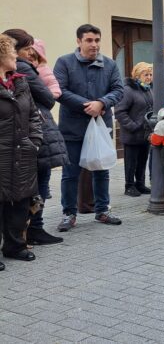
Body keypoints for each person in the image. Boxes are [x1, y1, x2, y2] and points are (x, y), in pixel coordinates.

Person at [54, 24, 124, 231]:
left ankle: (102, 210)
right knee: (70, 173)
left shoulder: (110, 65)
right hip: (72, 128)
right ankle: (69, 213)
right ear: (79, 41)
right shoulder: (64, 62)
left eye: (97, 40)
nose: (94, 45)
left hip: (101, 127)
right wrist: (89, 105)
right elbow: (60, 91)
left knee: (101, 170)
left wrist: (102, 103)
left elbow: (119, 90)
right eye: (89, 40)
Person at [5, 30, 68, 246]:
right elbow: (48, 98)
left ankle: (28, 230)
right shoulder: (23, 68)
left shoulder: (18, 68)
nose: (31, 52)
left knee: (35, 184)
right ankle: (33, 229)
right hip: (36, 133)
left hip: (30, 133)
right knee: (36, 184)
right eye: (26, 48)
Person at [0, 33, 43, 267]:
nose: (16, 56)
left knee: (20, 202)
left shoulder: (20, 81)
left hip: (23, 153)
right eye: (12, 52)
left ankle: (15, 246)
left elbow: (34, 115)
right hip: (2, 154)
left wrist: (35, 141)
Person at [116, 62, 154, 197]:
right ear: (137, 76)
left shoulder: (149, 89)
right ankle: (129, 186)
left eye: (150, 75)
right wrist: (132, 126)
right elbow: (120, 111)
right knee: (131, 161)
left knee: (143, 160)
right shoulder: (128, 90)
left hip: (145, 133)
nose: (149, 77)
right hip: (132, 133)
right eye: (146, 75)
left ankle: (140, 184)